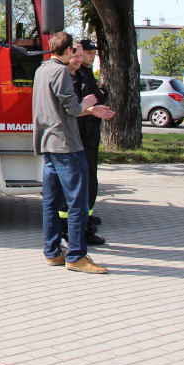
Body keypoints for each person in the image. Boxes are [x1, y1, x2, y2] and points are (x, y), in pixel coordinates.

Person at [32, 31, 114, 274]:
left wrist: (87, 110)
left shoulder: (41, 70)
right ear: (67, 51)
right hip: (66, 144)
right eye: (74, 51)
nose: (75, 56)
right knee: (77, 201)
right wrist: (88, 105)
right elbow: (72, 108)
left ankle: (53, 251)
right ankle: (77, 255)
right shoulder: (60, 72)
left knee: (51, 200)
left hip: (47, 142)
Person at [75, 38, 107, 243]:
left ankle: (86, 217)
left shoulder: (85, 73)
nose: (91, 55)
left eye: (93, 52)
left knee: (89, 177)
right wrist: (102, 93)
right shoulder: (80, 75)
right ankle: (84, 224)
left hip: (88, 132)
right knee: (87, 178)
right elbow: (94, 99)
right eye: (87, 52)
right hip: (84, 133)